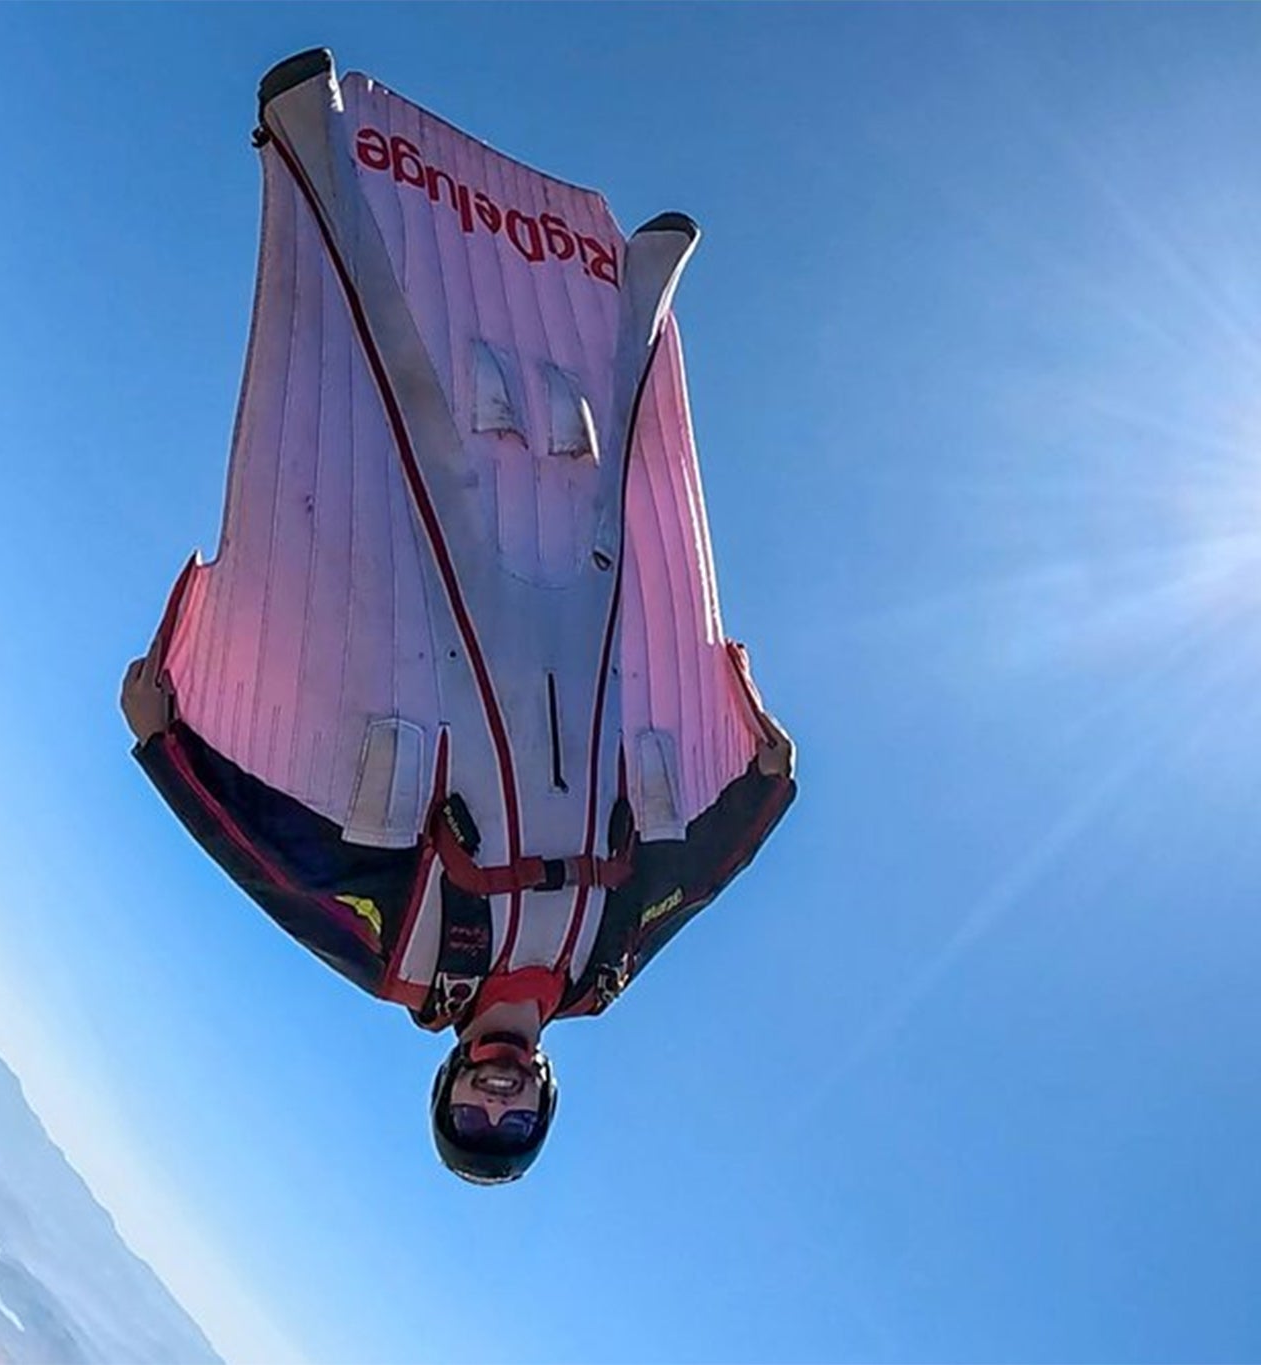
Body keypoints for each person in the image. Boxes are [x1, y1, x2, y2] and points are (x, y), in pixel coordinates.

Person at [123, 49, 794, 1184]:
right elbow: (696, 877)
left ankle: (316, 159)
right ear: (542, 1098)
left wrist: (165, 745)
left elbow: (272, 861)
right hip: (583, 667)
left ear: (443, 1086)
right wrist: (768, 787)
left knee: (414, 448)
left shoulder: (404, 956)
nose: (495, 1101)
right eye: (512, 1121)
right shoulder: (602, 966)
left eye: (471, 1117)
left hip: (450, 644)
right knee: (610, 511)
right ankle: (638, 314)